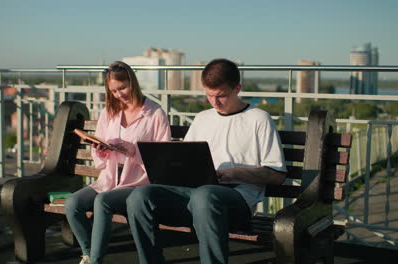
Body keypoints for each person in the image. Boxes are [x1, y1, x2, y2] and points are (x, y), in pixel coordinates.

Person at [126, 58, 287, 264]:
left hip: (237, 199)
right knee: (140, 196)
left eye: (221, 96)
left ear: (237, 88)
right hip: (194, 194)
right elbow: (184, 159)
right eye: (209, 95)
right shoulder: (202, 118)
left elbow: (277, 175)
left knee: (205, 194)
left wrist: (233, 172)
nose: (215, 102)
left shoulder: (259, 119)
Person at [65, 61, 171, 264]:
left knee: (102, 201)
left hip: (138, 182)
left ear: (133, 82)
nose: (119, 94)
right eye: (113, 91)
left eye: (122, 88)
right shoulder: (109, 112)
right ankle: (88, 253)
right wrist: (101, 149)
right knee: (72, 204)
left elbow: (163, 159)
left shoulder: (155, 114)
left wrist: (134, 151)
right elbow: (100, 158)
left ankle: (96, 260)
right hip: (110, 178)